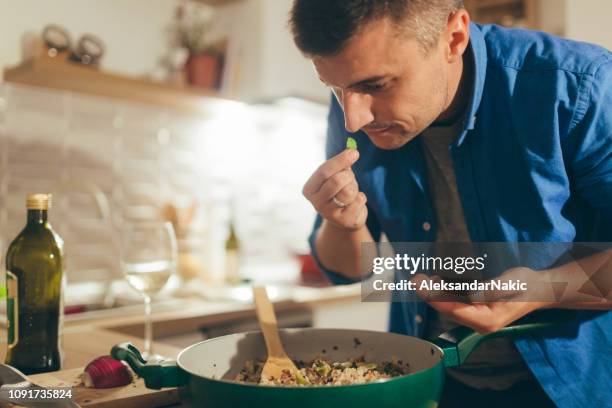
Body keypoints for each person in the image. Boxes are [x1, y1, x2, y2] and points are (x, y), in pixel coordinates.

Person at [289, 1, 612, 407]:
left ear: (453, 37)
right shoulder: (355, 106)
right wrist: (343, 224)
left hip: (573, 388)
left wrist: (545, 289)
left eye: (377, 85)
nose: (354, 118)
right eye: (334, 88)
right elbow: (349, 269)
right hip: (434, 381)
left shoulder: (577, 84)